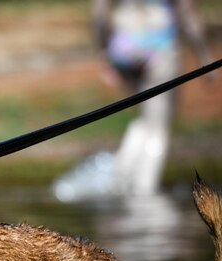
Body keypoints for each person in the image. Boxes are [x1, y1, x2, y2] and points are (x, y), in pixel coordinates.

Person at [53, 0, 213, 201]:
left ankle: (120, 177)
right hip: (159, 46)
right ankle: (144, 191)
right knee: (158, 127)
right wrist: (205, 57)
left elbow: (99, 12)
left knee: (146, 118)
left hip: (124, 47)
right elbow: (188, 13)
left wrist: (103, 52)